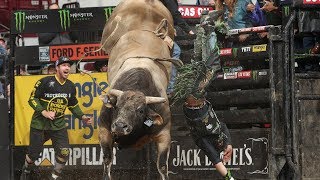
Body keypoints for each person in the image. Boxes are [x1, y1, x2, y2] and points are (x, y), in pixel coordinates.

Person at [173, 10, 235, 180]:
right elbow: (224, 128)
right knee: (200, 62)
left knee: (211, 66)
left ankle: (207, 27)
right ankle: (203, 27)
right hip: (198, 96)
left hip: (194, 97)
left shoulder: (206, 142)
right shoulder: (220, 133)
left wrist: (229, 177)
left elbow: (217, 163)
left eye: (222, 147)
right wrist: (229, 145)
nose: (223, 147)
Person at [20, 56, 93, 180]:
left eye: (69, 66)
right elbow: (32, 99)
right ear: (57, 68)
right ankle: (26, 169)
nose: (67, 68)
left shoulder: (70, 86)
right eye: (64, 65)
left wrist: (82, 117)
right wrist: (44, 112)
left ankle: (54, 177)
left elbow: (73, 105)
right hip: (40, 124)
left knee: (64, 153)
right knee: (33, 154)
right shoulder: (45, 81)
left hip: (58, 125)